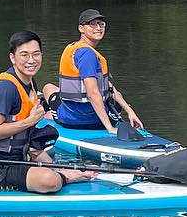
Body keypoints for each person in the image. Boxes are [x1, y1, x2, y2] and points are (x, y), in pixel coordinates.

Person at [0, 31, 97, 195]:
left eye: (36, 54)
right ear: (13, 58)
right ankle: (64, 177)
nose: (31, 60)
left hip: (19, 159)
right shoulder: (6, 88)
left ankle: (63, 171)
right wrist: (31, 120)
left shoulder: (29, 81)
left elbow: (31, 144)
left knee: (57, 166)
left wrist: (57, 166)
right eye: (24, 55)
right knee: (50, 180)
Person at [54, 8, 144, 137]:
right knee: (49, 88)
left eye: (101, 24)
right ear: (81, 28)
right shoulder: (87, 54)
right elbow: (92, 93)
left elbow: (108, 88)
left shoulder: (76, 49)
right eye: (92, 24)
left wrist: (130, 111)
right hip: (89, 120)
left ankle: (48, 114)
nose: (98, 28)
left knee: (48, 88)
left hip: (76, 119)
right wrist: (110, 128)